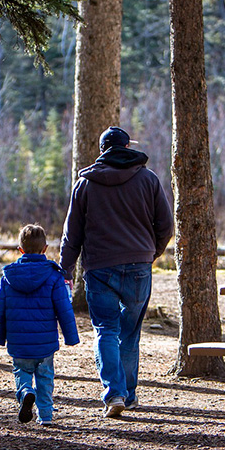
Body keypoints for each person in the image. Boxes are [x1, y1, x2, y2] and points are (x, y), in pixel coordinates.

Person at [60, 126, 174, 418]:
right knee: (130, 333)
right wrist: (151, 252)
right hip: (138, 266)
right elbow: (165, 226)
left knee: (106, 331)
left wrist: (66, 269)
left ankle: (115, 394)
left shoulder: (85, 184)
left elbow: (72, 234)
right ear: (126, 147)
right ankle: (130, 394)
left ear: (102, 151)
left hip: (99, 268)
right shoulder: (148, 179)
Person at [0, 224, 80, 425]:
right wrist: (71, 336)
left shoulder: (9, 278)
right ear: (45, 248)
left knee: (21, 371)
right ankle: (45, 416)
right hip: (45, 341)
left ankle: (25, 393)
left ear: (20, 250)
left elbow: (0, 308)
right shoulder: (54, 276)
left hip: (18, 340)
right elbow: (63, 308)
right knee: (45, 377)